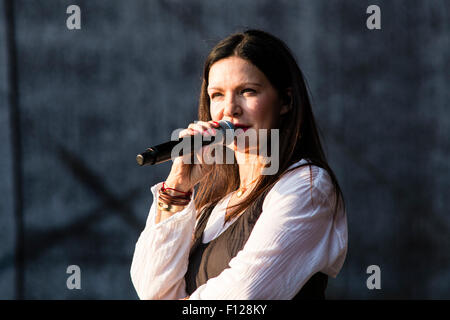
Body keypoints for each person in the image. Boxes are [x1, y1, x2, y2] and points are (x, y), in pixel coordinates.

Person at [130, 29, 347, 300]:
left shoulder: (307, 187)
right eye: (217, 95)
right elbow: (152, 290)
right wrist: (177, 187)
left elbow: (244, 297)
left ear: (286, 101)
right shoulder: (214, 202)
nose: (230, 108)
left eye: (247, 91)